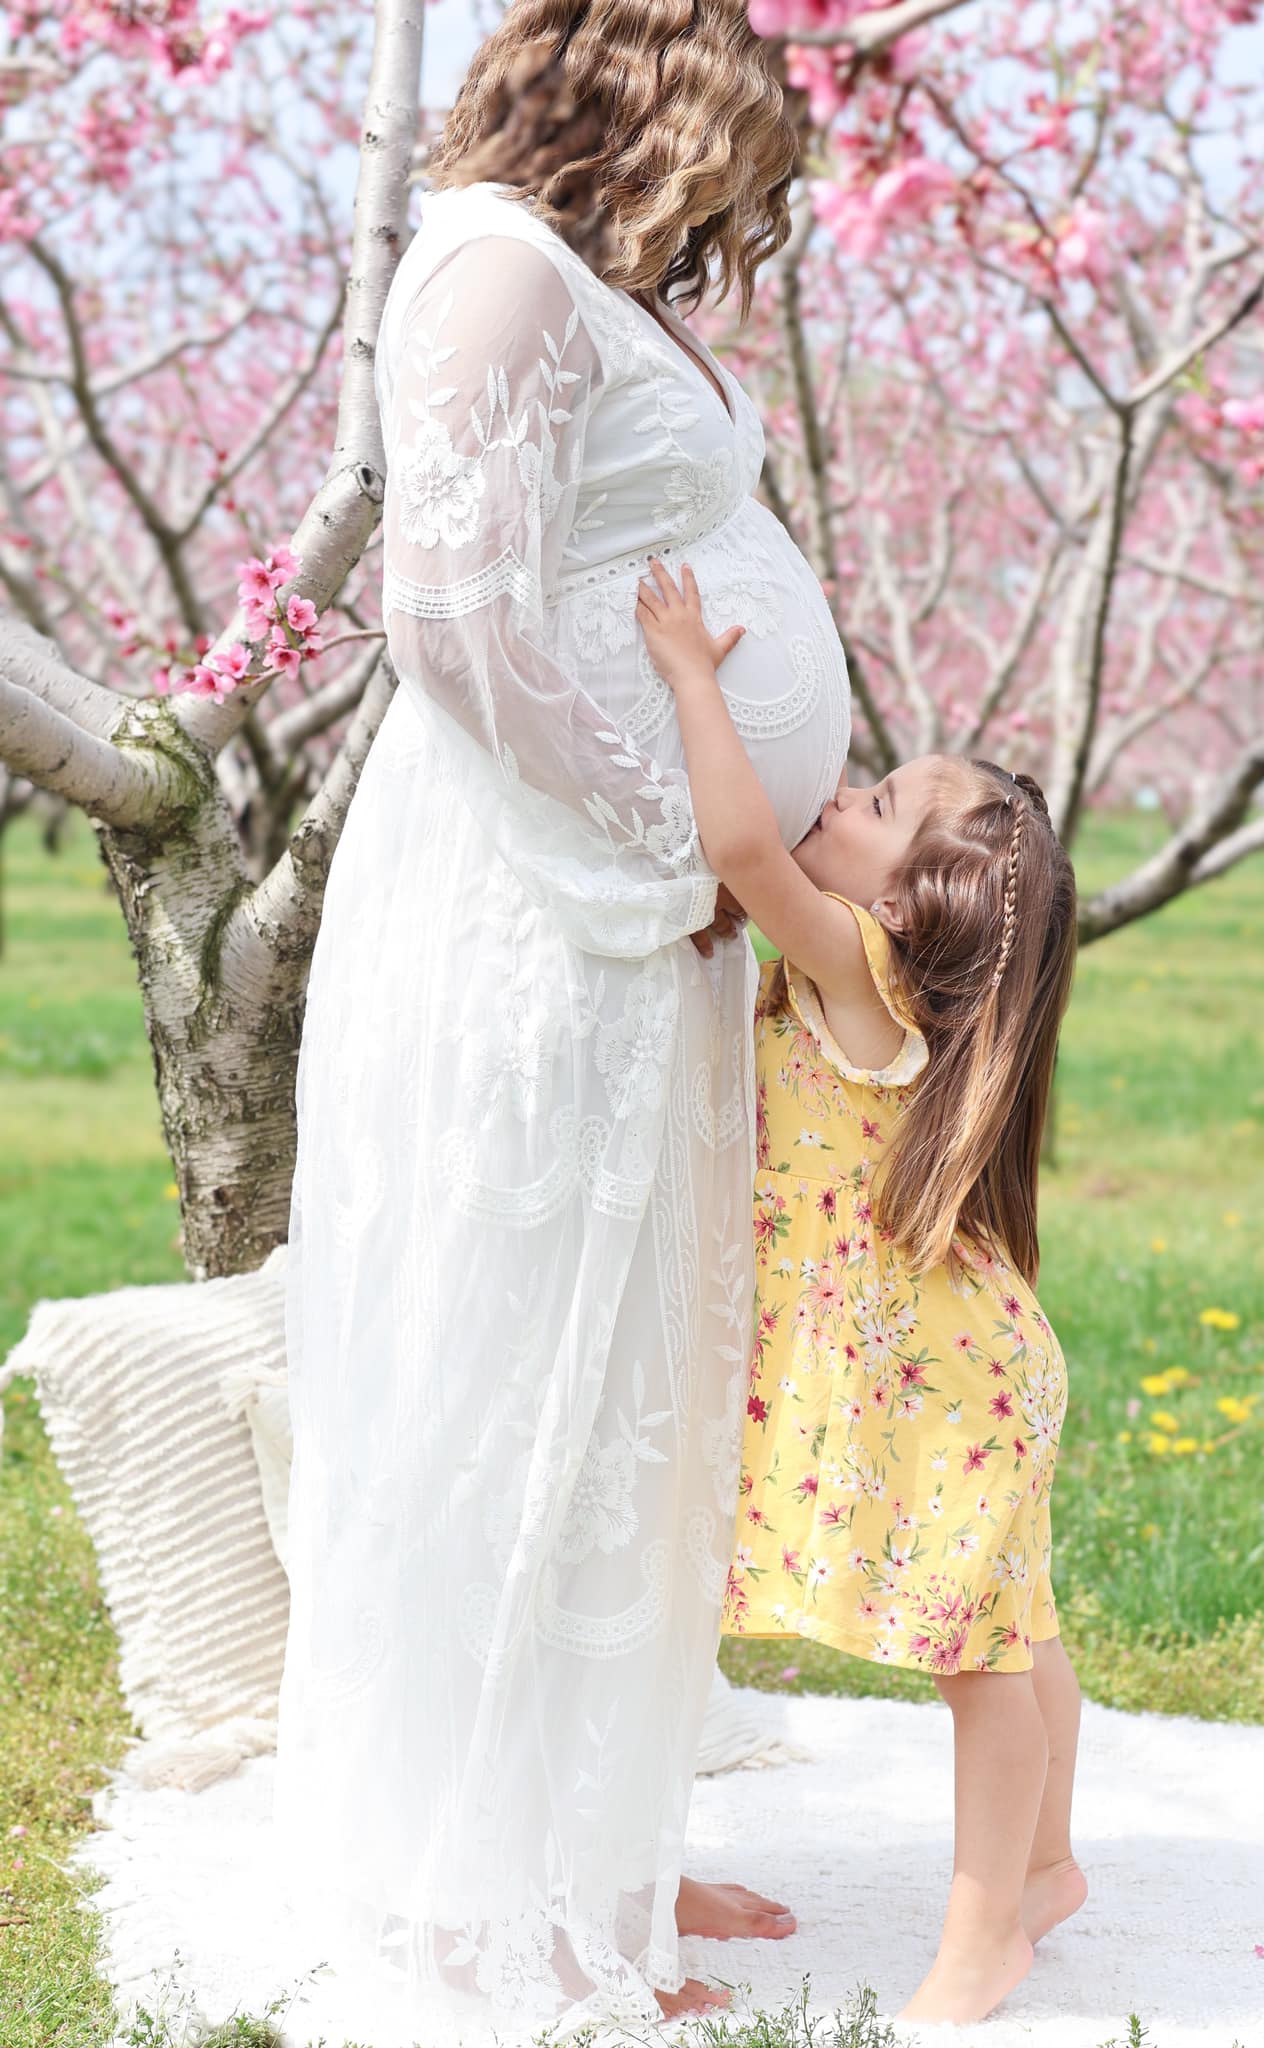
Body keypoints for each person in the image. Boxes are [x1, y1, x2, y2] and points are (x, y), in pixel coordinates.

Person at [273, 2, 854, 2034]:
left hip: (620, 919)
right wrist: (672, 845)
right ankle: (485, 1900)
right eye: (733, 163)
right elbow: (449, 615)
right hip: (547, 914)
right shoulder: (499, 271)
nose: (732, 217)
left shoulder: (566, 277)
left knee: (616, 1390)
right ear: (656, 99)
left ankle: (587, 1837)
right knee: (519, 1379)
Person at [636, 559, 1085, 2027]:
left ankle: (980, 1939)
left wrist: (695, 677)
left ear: (919, 901)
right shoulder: (870, 989)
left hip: (944, 1381)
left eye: (878, 810)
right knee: (1013, 1629)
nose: (841, 798)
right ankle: (1048, 1867)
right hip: (961, 1360)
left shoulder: (864, 973)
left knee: (978, 1659)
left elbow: (754, 856)